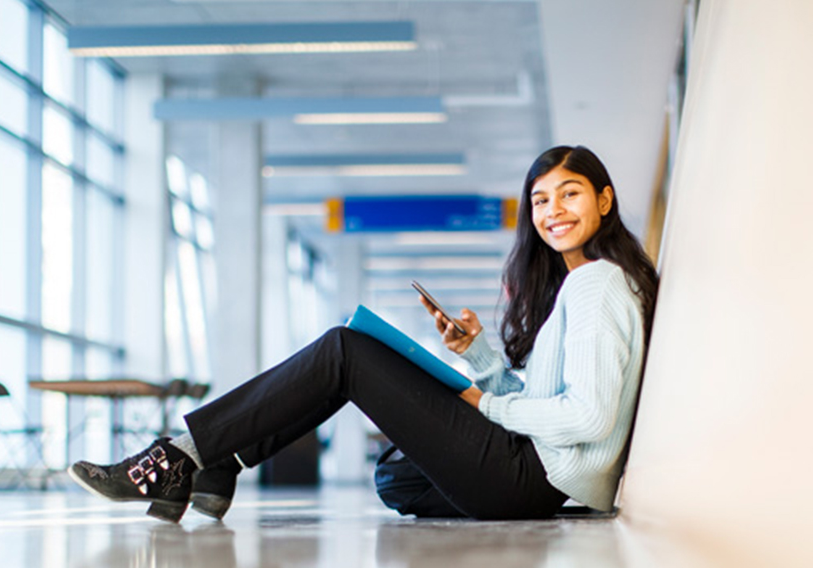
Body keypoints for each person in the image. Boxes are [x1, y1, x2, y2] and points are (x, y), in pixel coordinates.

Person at [67, 145, 660, 523]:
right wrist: (478, 356)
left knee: (344, 350)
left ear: (604, 200)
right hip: (539, 478)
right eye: (540, 198)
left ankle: (181, 456)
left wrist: (487, 403)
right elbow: (547, 402)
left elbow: (588, 418)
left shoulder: (597, 285)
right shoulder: (588, 284)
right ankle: (221, 464)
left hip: (533, 478)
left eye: (570, 193)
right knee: (395, 476)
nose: (553, 209)